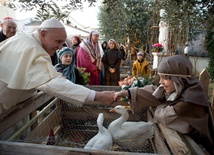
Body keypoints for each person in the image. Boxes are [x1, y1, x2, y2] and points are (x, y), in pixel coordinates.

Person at [0, 17, 115, 114]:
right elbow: (51, 82)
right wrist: (98, 96)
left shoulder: (28, 42)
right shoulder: (31, 47)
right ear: (43, 34)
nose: (60, 47)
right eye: (58, 41)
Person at [114, 55, 214, 154]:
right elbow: (154, 92)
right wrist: (126, 92)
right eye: (160, 77)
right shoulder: (181, 88)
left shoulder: (188, 101)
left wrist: (160, 104)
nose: (161, 82)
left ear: (177, 79)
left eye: (165, 78)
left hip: (195, 148)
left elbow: (162, 116)